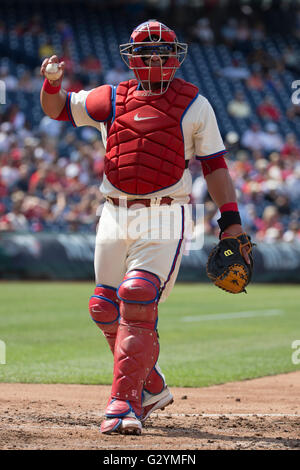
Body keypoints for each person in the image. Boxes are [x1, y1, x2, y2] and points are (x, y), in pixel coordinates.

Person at [40, 19, 250, 436]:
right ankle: (150, 384)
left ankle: (123, 403)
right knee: (103, 307)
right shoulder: (110, 97)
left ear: (175, 58)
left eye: (162, 52)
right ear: (131, 58)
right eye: (145, 52)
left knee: (137, 295)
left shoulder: (195, 103)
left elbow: (215, 167)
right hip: (114, 212)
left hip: (165, 213)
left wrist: (231, 223)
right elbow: (58, 108)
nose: (154, 59)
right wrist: (51, 82)